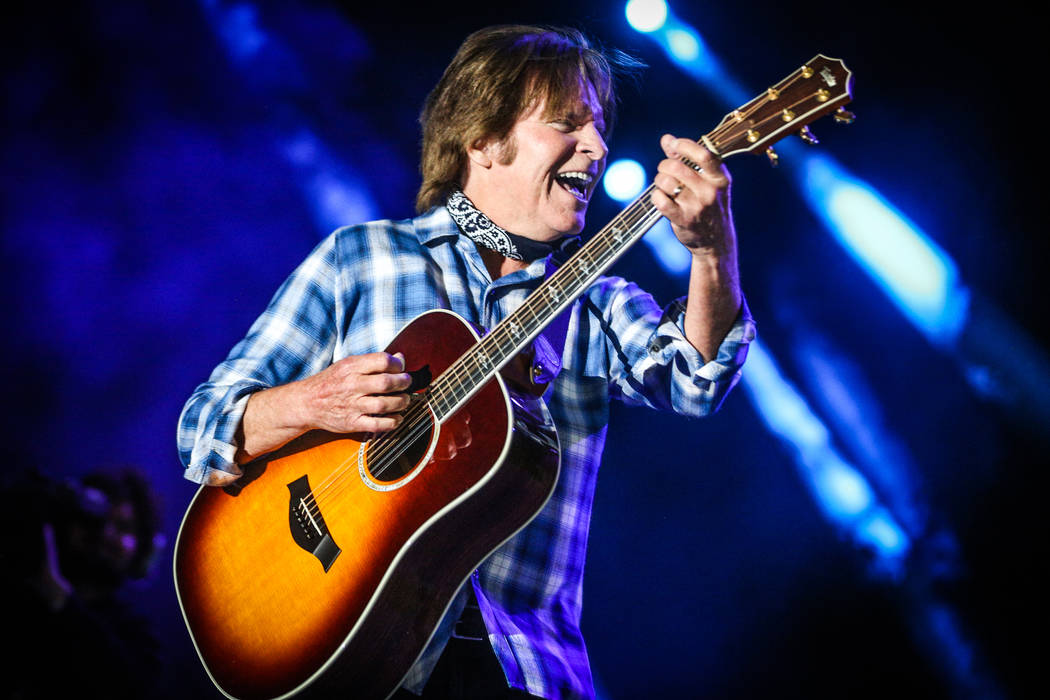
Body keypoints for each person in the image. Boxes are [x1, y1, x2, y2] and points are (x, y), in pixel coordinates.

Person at [178, 24, 754, 700]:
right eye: (568, 123)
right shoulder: (361, 257)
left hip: (526, 673)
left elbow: (696, 381)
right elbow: (202, 426)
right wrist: (308, 402)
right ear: (482, 139)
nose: (597, 147)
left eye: (599, 128)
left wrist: (713, 252)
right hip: (363, 665)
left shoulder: (597, 304)